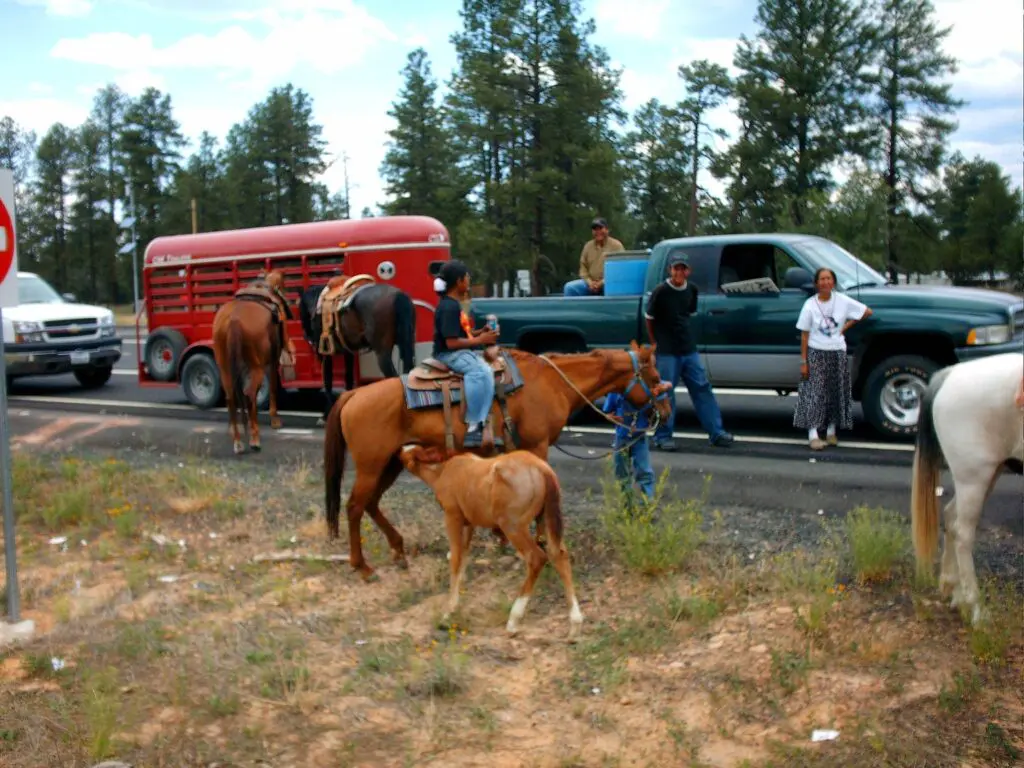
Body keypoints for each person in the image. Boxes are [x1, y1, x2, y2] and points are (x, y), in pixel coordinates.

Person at [646, 252, 734, 450]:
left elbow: (689, 315)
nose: (679, 272)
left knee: (702, 388)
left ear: (688, 271)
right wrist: (654, 345)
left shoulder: (692, 290)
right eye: (675, 268)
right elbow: (649, 319)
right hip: (667, 351)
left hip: (688, 349)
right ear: (670, 270)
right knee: (666, 394)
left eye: (682, 268)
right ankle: (662, 435)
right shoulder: (660, 292)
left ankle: (716, 433)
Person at [793, 267, 873, 450]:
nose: (825, 282)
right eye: (822, 279)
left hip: (837, 351)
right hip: (816, 351)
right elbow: (804, 335)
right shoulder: (810, 305)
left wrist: (844, 327)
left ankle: (831, 432)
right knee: (815, 393)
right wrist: (804, 361)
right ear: (816, 283)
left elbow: (867, 312)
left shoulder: (842, 301)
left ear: (833, 282)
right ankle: (813, 434)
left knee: (835, 392)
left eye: (829, 279)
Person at [432, 260, 501, 448]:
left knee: (491, 367)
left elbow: (463, 334)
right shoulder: (449, 307)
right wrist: (481, 341)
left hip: (458, 350)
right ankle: (473, 426)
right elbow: (451, 342)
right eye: (467, 278)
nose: (469, 281)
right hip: (449, 354)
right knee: (480, 372)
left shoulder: (455, 304)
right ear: (459, 281)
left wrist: (481, 332)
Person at [602, 390, 657, 502]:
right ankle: (626, 504)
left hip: (639, 436)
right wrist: (610, 417)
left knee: (644, 471)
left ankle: (645, 506)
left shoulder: (645, 389)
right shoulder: (616, 392)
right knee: (621, 471)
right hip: (622, 435)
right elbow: (607, 412)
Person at [563, 217, 624, 297]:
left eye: (600, 228)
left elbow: (620, 269)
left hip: (609, 282)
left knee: (614, 288)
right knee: (569, 287)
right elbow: (583, 267)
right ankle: (573, 309)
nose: (598, 231)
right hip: (590, 283)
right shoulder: (588, 246)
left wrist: (602, 283)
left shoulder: (616, 246)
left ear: (607, 230)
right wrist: (590, 282)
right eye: (595, 229)